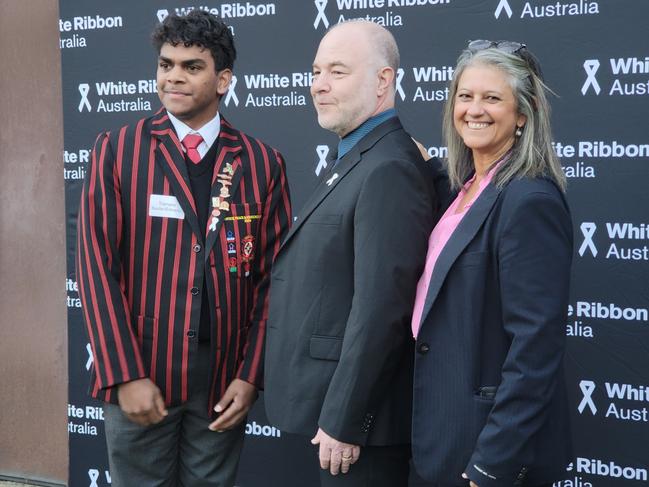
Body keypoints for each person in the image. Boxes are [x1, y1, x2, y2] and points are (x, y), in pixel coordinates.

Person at [76, 10, 291, 487]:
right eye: (166, 64)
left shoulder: (262, 162)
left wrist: (251, 375)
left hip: (223, 380)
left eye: (192, 66)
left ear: (223, 80)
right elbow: (95, 268)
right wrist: (122, 373)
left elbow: (276, 279)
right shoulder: (117, 150)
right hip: (142, 369)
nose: (173, 76)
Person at [264, 20, 447, 487]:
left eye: (338, 72)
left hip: (358, 430)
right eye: (316, 70)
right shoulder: (362, 155)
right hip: (333, 416)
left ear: (384, 81)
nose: (318, 85)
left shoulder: (389, 167)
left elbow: (381, 307)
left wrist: (346, 419)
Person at [411, 40, 573, 487]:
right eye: (465, 96)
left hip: (487, 451)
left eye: (492, 98)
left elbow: (535, 349)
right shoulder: (465, 186)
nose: (474, 109)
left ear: (523, 113)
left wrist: (491, 464)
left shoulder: (530, 200)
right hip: (443, 433)